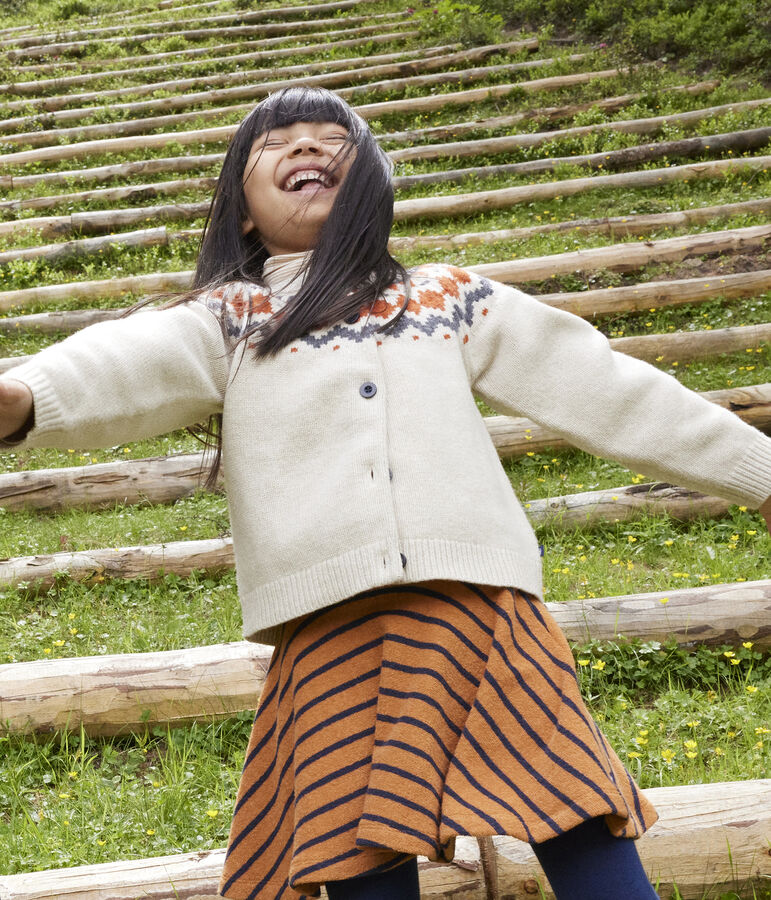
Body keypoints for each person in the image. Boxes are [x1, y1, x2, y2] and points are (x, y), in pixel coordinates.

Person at [0, 87, 769, 900]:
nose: (306, 148)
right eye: (278, 143)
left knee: (570, 802)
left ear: (372, 184)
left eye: (333, 140)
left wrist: (758, 472)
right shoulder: (228, 320)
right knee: (357, 851)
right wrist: (23, 398)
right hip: (329, 625)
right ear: (245, 213)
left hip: (481, 609)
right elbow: (121, 361)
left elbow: (609, 388)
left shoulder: (446, 298)